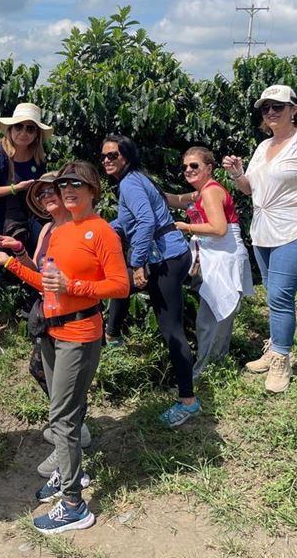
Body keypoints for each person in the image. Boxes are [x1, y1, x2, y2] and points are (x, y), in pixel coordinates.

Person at [0, 160, 129, 536]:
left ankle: (74, 504)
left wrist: (74, 287)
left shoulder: (102, 232)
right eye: (63, 186)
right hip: (52, 331)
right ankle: (66, 473)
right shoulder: (61, 232)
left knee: (63, 417)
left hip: (80, 334)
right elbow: (48, 285)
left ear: (93, 190)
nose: (68, 191)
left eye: (77, 185)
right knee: (62, 412)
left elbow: (120, 286)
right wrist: (11, 263)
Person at [221, 85, 297, 393]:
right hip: (265, 232)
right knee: (277, 296)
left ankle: (281, 361)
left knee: (278, 295)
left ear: (294, 109)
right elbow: (250, 189)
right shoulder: (264, 147)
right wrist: (238, 173)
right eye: (266, 108)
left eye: (278, 106)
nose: (271, 112)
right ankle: (278, 348)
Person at [0, 172, 93, 470]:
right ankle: (72, 427)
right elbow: (38, 275)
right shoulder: (48, 228)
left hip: (73, 318)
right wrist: (18, 253)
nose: (47, 196)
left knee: (64, 382)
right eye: (41, 194)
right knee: (40, 369)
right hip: (47, 313)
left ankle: (71, 435)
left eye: (53, 190)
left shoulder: (82, 228)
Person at [99, 135, 197, 428]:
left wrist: (137, 261)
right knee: (120, 285)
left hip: (164, 258)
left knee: (171, 329)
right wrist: (101, 227)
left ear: (126, 157)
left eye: (113, 155)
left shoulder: (129, 183)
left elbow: (146, 222)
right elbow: (129, 221)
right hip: (169, 254)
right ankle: (112, 336)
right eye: (103, 156)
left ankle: (188, 401)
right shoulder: (135, 179)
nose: (106, 160)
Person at [164, 146, 254, 381]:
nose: (188, 170)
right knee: (214, 317)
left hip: (223, 259)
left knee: (213, 317)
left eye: (195, 166)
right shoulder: (199, 194)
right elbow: (175, 200)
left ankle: (206, 372)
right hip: (215, 258)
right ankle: (213, 366)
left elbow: (218, 228)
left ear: (209, 168)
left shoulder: (211, 192)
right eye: (185, 166)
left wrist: (185, 227)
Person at [0, 102, 51, 358]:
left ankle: (36, 314)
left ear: (36, 134)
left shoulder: (38, 157)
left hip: (21, 219)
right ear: (10, 129)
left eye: (30, 128)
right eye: (19, 127)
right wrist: (16, 188)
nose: (24, 132)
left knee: (35, 263)